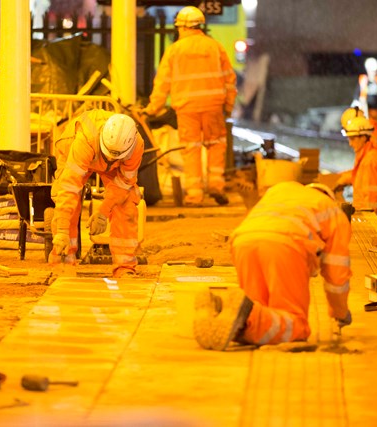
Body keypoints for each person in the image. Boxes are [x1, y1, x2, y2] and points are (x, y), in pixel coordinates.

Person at [193, 182, 353, 351]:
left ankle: (222, 313)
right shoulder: (332, 210)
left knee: (257, 308)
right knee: (296, 325)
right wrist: (339, 313)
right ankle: (246, 316)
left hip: (243, 242)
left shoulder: (280, 190)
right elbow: (337, 273)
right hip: (286, 245)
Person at [142, 6, 237, 206]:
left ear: (183, 27)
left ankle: (194, 194)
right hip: (213, 106)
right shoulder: (215, 47)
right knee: (216, 145)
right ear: (199, 25)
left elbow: (163, 82)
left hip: (186, 109)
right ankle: (216, 186)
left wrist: (152, 108)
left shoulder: (175, 50)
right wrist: (228, 106)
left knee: (191, 149)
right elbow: (229, 79)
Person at [50, 110, 144, 278]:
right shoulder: (85, 141)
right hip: (77, 148)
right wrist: (62, 230)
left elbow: (123, 185)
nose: (108, 160)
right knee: (68, 201)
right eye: (108, 156)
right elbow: (69, 188)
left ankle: (125, 268)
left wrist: (102, 212)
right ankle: (63, 264)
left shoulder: (136, 146)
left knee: (127, 201)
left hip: (111, 163)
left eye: (114, 157)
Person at [338, 107, 377, 229]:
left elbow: (371, 201)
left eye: (352, 138)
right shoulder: (373, 146)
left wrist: (360, 226)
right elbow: (363, 176)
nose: (350, 143)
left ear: (362, 136)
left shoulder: (371, 158)